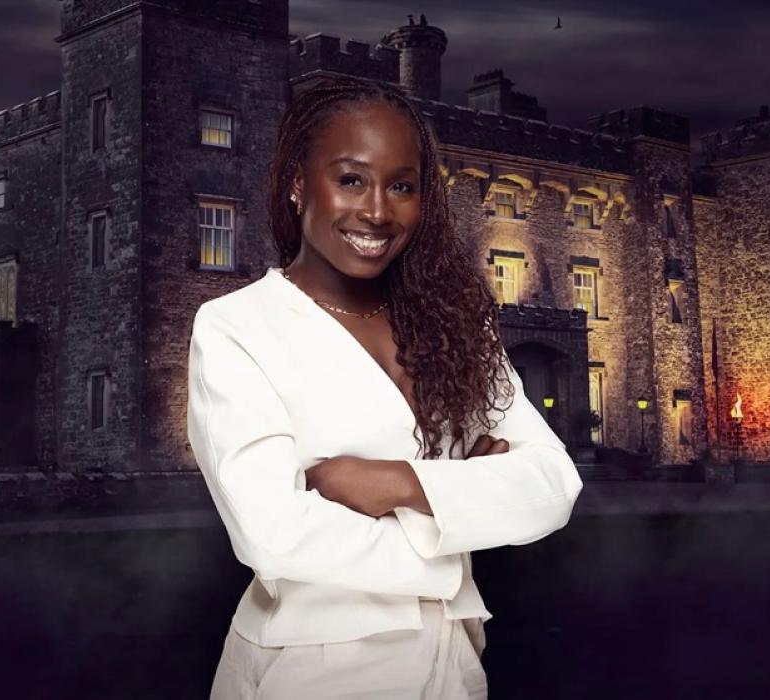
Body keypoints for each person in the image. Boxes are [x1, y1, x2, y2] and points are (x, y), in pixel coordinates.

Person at [187, 76, 584, 699]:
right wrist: (458, 524)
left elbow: (554, 486)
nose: (377, 210)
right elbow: (273, 535)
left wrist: (399, 484)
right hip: (312, 668)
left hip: (454, 664)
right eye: (351, 179)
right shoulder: (237, 326)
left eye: (401, 186)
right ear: (297, 182)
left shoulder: (454, 324)